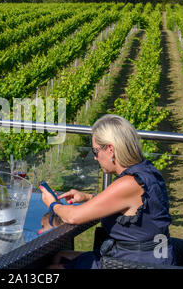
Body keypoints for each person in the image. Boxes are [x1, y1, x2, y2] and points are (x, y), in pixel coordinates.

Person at [40, 114, 175, 268]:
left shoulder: (129, 183)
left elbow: (73, 217)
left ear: (110, 149)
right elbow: (128, 206)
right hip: (150, 257)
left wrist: (52, 204)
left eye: (95, 151)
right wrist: (87, 197)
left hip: (137, 263)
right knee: (60, 255)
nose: (95, 158)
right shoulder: (147, 170)